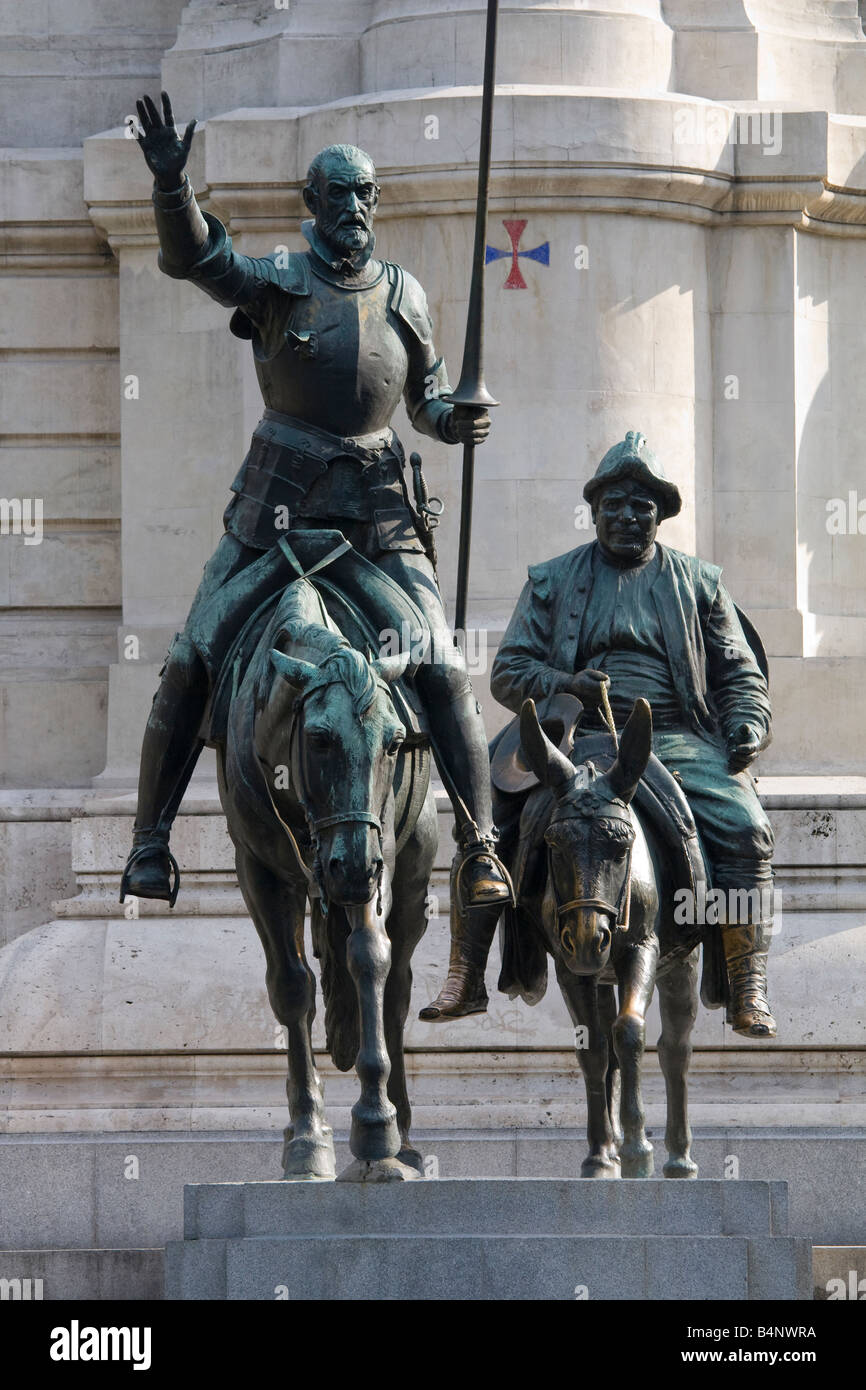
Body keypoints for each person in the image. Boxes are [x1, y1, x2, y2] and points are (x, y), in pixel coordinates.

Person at [121, 92, 510, 914]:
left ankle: (479, 844)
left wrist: (455, 419)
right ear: (313, 204)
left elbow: (427, 401)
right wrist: (171, 187)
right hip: (275, 519)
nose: (356, 206)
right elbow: (200, 261)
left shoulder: (405, 295)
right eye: (339, 193)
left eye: (366, 193)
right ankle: (150, 843)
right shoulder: (279, 284)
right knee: (192, 655)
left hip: (379, 523)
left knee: (440, 663)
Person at [422, 429, 777, 1038]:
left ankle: (747, 980)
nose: (626, 517)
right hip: (574, 738)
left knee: (747, 828)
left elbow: (740, 674)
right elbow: (507, 671)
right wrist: (565, 680)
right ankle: (466, 973)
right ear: (593, 512)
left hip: (677, 739)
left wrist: (747, 723)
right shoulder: (552, 580)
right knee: (486, 825)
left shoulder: (702, 583)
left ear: (659, 515)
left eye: (641, 506)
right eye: (613, 505)